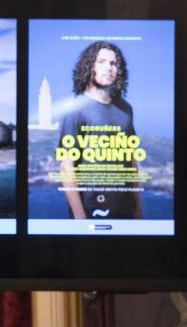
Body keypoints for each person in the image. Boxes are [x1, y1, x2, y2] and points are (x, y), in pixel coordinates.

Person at [58, 41, 140, 219]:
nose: (108, 67)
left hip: (125, 211)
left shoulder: (126, 109)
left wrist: (137, 207)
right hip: (90, 211)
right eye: (101, 62)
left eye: (113, 63)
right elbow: (66, 167)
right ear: (89, 66)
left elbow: (132, 162)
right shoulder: (74, 110)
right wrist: (80, 218)